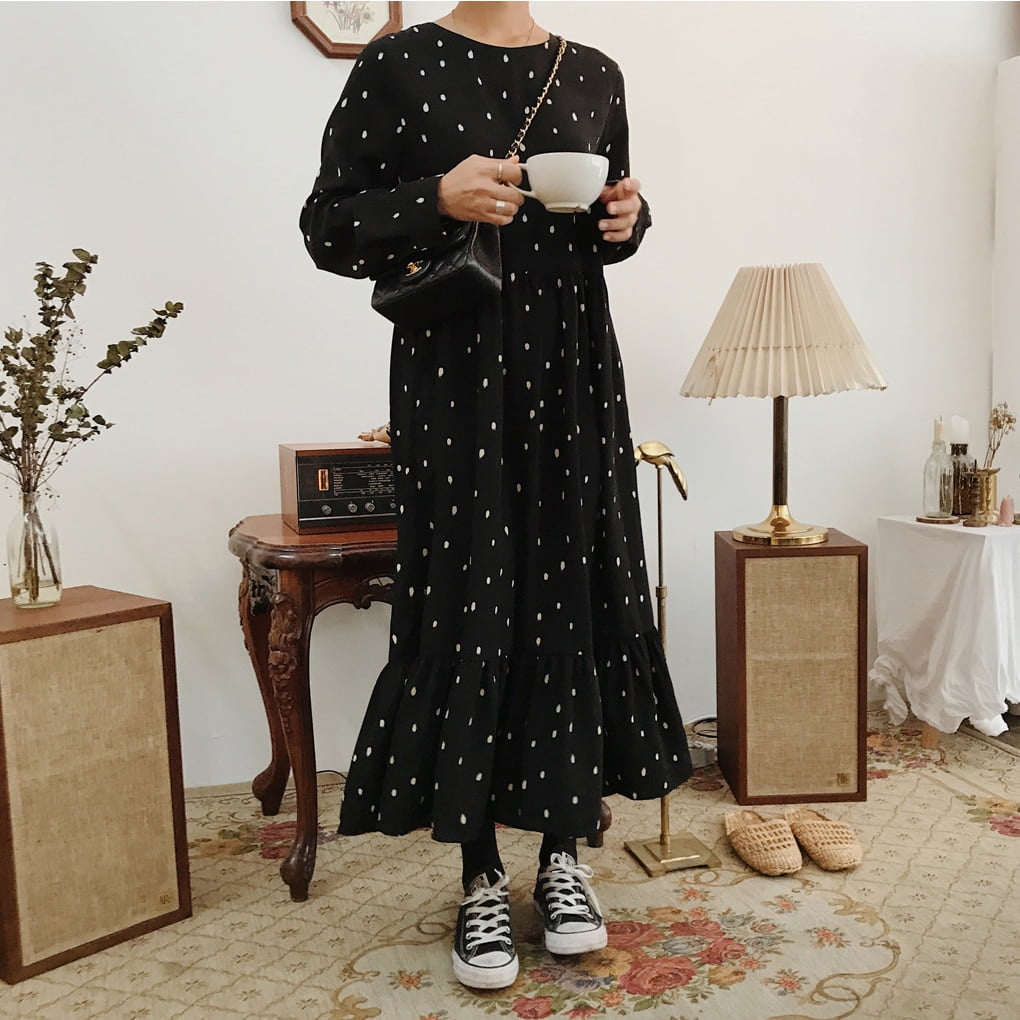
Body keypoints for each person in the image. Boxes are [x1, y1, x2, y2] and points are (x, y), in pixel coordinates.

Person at [300, 0, 692, 991]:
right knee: (470, 596)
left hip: (572, 369)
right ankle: (477, 870)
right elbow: (327, 226)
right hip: (454, 372)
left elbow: (606, 227)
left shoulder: (594, 71)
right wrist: (437, 195)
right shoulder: (398, 62)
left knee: (572, 595)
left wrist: (630, 221)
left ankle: (563, 853)